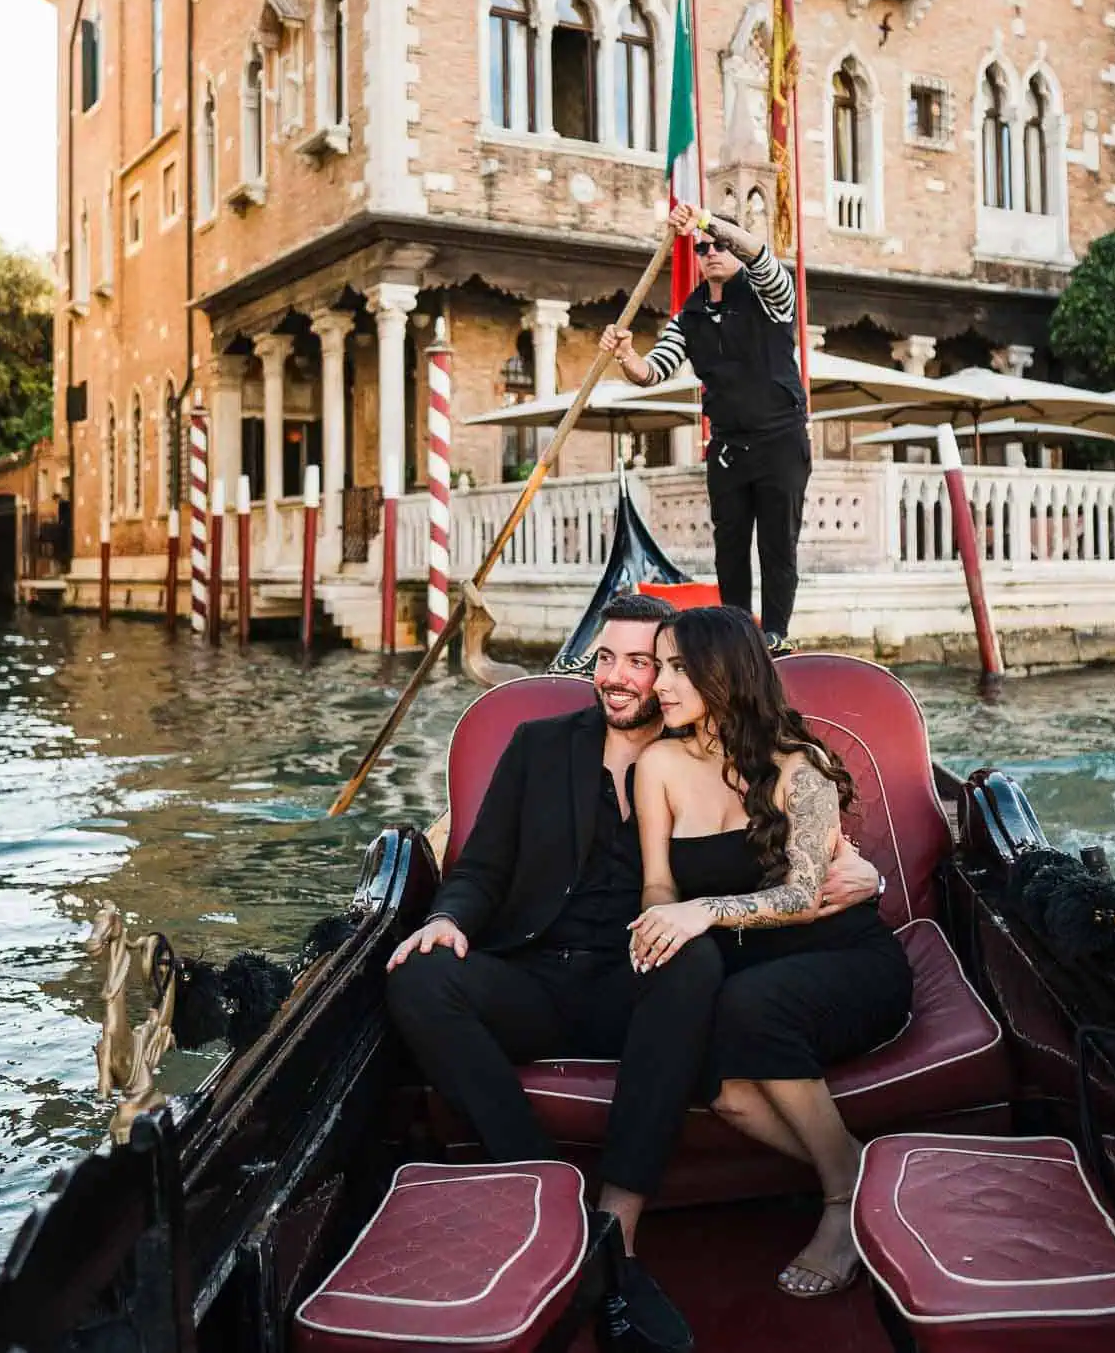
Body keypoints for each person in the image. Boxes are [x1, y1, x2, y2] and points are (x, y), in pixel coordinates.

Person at [385, 594, 879, 1350]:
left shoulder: (705, 756)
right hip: (538, 971)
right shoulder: (537, 745)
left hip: (644, 982)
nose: (618, 677)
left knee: (690, 961)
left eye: (645, 663)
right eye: (604, 658)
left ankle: (621, 1225)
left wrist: (861, 873)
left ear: (689, 672)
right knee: (417, 978)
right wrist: (447, 917)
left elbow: (796, 857)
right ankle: (555, 1200)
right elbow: (480, 869)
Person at [629, 605, 913, 1298]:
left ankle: (843, 1205)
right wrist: (657, 923)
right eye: (658, 666)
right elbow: (659, 882)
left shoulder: (802, 768)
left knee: (750, 1006)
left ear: (724, 674)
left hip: (848, 962)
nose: (659, 684)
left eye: (676, 667)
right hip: (745, 967)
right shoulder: (658, 763)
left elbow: (804, 897)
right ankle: (859, 1166)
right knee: (717, 1087)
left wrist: (699, 913)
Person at [598, 204, 809, 655]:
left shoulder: (771, 297)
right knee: (729, 546)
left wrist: (708, 221)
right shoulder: (688, 317)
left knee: (777, 543)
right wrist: (626, 356)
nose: (712, 251)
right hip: (729, 447)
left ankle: (774, 635)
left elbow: (760, 255)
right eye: (703, 247)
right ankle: (736, 633)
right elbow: (653, 371)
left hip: (780, 441)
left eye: (720, 245)